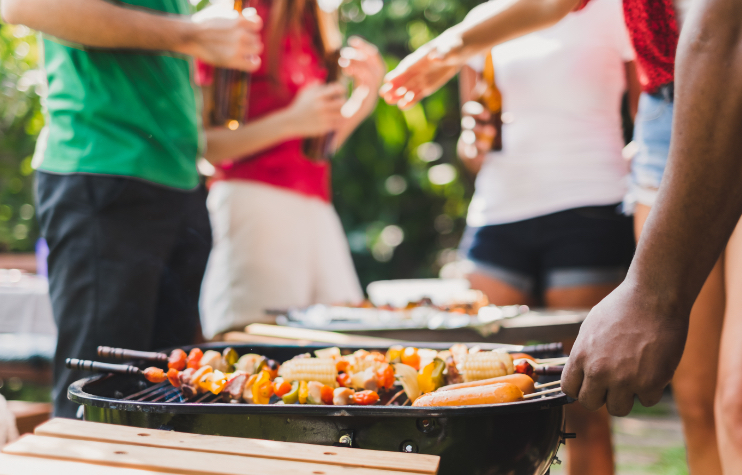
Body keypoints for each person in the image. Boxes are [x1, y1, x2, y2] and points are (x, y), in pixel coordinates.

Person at [380, 0, 742, 472]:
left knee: (735, 401)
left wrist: (649, 296)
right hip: (662, 111)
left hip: (724, 88)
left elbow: (721, 31)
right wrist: (446, 49)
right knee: (697, 400)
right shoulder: (490, 28)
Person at [1, 0, 263, 418]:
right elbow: (24, 5)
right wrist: (192, 33)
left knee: (166, 408)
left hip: (179, 183)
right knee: (97, 407)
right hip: (104, 172)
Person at [456, 1, 638, 472]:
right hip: (497, 214)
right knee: (474, 398)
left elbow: (649, 111)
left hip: (590, 208)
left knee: (581, 402)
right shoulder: (484, 18)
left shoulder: (613, 10)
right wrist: (471, 139)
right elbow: (472, 144)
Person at [196, 0, 385, 339]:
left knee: (347, 343)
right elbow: (207, 144)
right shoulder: (243, 16)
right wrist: (292, 121)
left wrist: (364, 98)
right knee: (256, 347)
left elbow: (314, 149)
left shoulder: (313, 23)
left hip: (315, 208)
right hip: (254, 202)